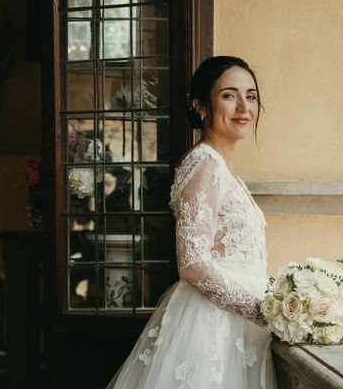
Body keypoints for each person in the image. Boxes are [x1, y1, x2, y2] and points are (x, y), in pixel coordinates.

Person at [107, 56, 276, 388]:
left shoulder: (223, 169)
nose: (244, 106)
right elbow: (193, 263)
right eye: (229, 95)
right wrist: (261, 310)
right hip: (212, 325)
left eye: (251, 95)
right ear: (201, 107)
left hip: (236, 325)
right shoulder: (205, 165)